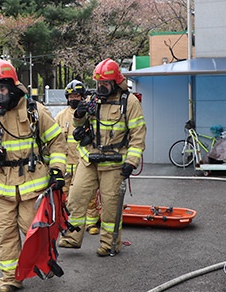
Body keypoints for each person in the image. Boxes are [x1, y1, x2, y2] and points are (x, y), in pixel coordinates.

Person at [0, 59, 66, 292]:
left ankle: (46, 261)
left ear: (12, 87)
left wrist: (57, 171)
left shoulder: (35, 111)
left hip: (33, 188)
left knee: (33, 232)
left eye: (1, 89)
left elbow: (56, 141)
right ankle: (11, 279)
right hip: (3, 189)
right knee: (5, 235)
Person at [58, 58, 146, 257]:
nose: (101, 87)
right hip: (88, 160)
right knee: (76, 199)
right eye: (98, 83)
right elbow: (79, 127)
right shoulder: (92, 100)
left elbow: (138, 134)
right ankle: (72, 238)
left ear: (115, 82)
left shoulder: (129, 102)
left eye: (105, 83)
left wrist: (131, 162)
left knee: (110, 207)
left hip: (114, 164)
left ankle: (110, 243)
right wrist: (79, 116)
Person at [55, 80, 100, 236]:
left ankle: (91, 222)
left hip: (84, 162)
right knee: (66, 196)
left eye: (77, 96)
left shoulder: (89, 114)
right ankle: (70, 223)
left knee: (90, 195)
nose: (74, 99)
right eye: (71, 96)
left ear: (83, 97)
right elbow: (55, 142)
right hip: (67, 164)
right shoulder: (61, 116)